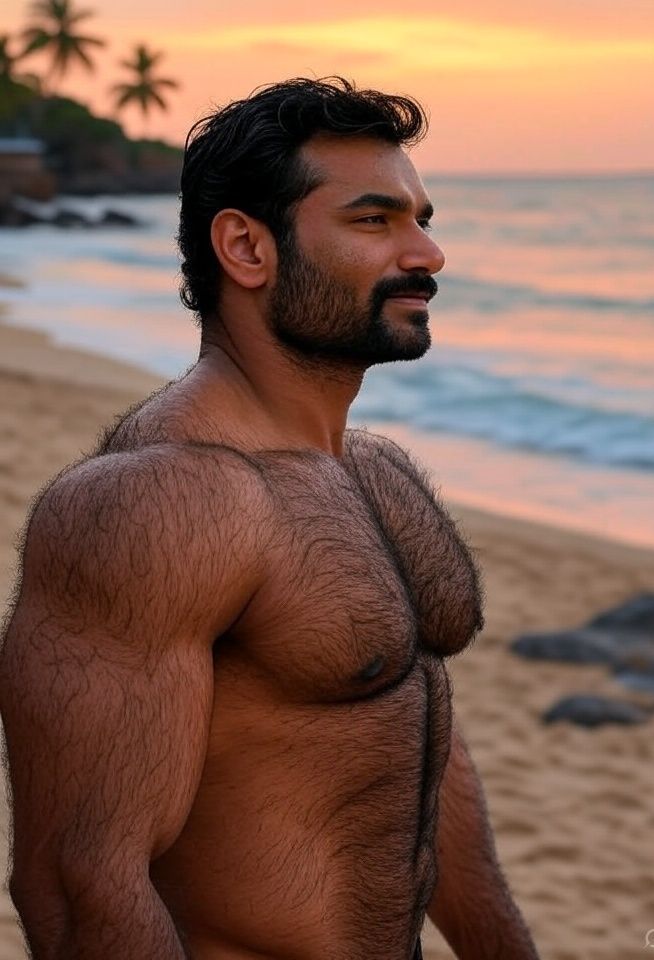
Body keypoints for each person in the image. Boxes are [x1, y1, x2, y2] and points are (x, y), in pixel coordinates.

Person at [0, 77, 539, 960]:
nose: (428, 253)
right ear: (247, 248)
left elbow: (425, 750)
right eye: (375, 221)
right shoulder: (158, 504)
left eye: (421, 217)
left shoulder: (379, 473)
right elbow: (79, 882)